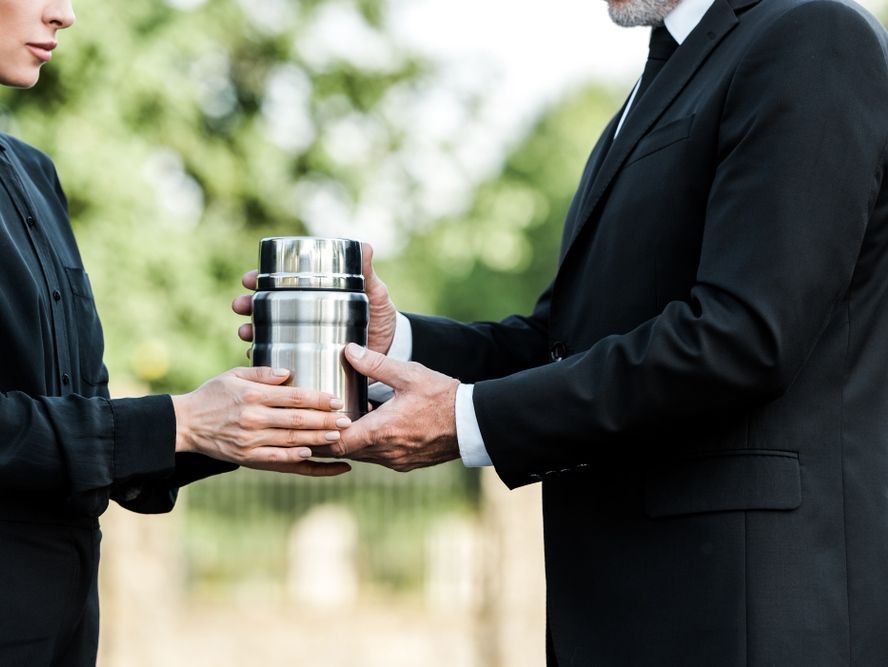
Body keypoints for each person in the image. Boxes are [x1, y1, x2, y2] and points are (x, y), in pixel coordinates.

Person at [236, 0, 888, 663]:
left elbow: (744, 336)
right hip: (635, 617)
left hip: (750, 618)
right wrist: (391, 346)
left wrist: (466, 419)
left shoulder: (815, 34)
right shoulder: (657, 84)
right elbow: (559, 342)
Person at [0, 1, 353, 665]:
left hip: (62, 622)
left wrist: (246, 425)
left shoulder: (33, 172)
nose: (65, 13)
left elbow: (83, 420)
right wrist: (183, 423)